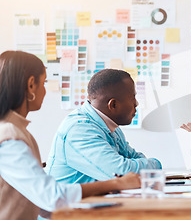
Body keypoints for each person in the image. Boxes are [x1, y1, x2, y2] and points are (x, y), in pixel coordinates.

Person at [0, 51, 140, 220]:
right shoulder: (9, 136)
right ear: (31, 85)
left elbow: (39, 202)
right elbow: (52, 196)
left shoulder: (17, 131)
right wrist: (116, 183)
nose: (45, 91)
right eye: (43, 82)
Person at [45, 69, 161, 184]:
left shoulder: (110, 126)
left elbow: (133, 158)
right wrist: (156, 164)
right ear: (113, 105)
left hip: (97, 200)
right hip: (71, 202)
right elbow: (121, 173)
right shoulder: (80, 129)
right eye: (132, 98)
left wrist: (134, 165)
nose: (136, 104)